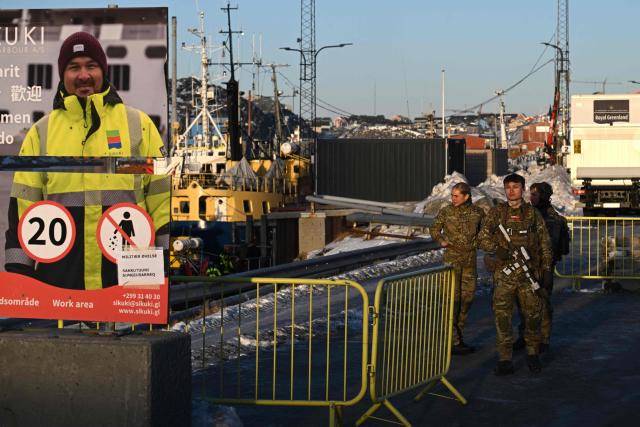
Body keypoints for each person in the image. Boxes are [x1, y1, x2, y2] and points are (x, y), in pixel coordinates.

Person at [5, 32, 170, 290]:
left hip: (131, 281)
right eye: (74, 67)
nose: (83, 75)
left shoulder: (139, 125)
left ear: (103, 70)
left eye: (91, 66)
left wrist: (165, 258)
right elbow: (23, 208)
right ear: (63, 75)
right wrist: (19, 273)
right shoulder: (41, 132)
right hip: (60, 283)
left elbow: (162, 198)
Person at [477, 174, 553, 375]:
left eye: (516, 187)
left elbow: (545, 242)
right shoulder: (497, 213)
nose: (511, 191)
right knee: (502, 317)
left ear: (523, 189)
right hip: (505, 275)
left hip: (529, 275)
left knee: (532, 317)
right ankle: (505, 359)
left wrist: (546, 269)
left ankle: (532, 354)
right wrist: (497, 249)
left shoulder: (532, 214)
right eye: (508, 187)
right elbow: (482, 238)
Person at [513, 182, 570, 353]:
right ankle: (524, 336)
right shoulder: (525, 214)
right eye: (531, 194)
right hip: (524, 266)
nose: (531, 197)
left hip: (543, 267)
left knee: (542, 303)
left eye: (536, 194)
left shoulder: (553, 219)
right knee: (523, 303)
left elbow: (551, 247)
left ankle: (543, 339)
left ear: (545, 196)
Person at [430, 182, 485, 355]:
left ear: (466, 196)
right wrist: (441, 240)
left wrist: (483, 244)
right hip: (452, 259)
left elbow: (485, 233)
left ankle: (457, 336)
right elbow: (434, 229)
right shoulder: (446, 212)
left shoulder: (477, 212)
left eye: (456, 195)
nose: (452, 199)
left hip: (469, 260)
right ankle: (453, 340)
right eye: (452, 195)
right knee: (451, 300)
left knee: (466, 300)